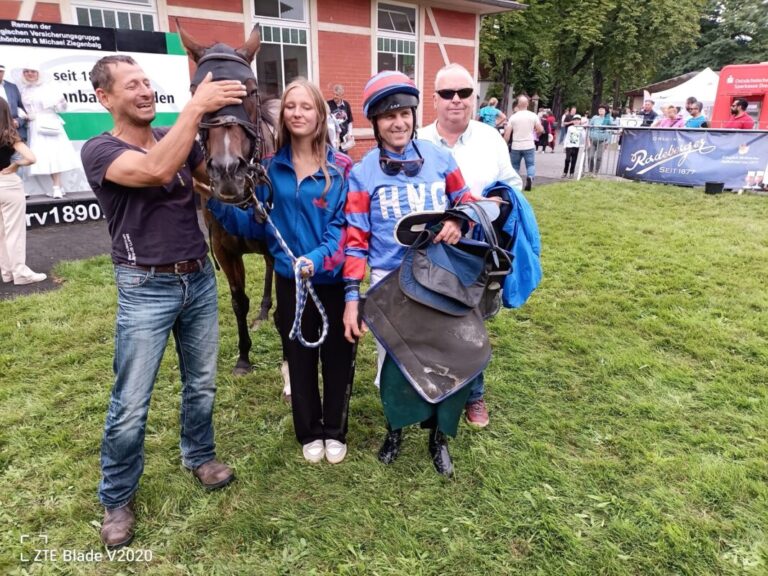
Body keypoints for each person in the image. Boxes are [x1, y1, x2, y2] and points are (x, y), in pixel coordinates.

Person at [81, 54, 245, 549]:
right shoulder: (100, 150)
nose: (145, 90)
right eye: (132, 85)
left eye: (148, 82)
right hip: (143, 286)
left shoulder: (177, 141)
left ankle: (200, 455)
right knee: (131, 403)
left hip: (197, 279)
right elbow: (155, 170)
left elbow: (218, 180)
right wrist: (195, 108)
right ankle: (116, 497)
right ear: (104, 97)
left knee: (201, 385)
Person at [207, 79, 355, 465]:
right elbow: (256, 226)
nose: (298, 113)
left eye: (306, 106)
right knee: (300, 356)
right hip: (292, 283)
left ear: (320, 114)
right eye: (291, 107)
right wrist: (219, 199)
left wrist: (317, 259)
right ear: (283, 116)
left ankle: (335, 430)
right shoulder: (270, 169)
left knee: (337, 359)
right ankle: (309, 430)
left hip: (332, 280)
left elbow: (345, 226)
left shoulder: (341, 168)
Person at [343, 70, 473, 476]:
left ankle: (439, 438)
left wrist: (459, 221)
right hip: (388, 280)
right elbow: (355, 239)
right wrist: (352, 297)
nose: (398, 122)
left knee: (445, 355)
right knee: (394, 361)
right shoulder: (363, 174)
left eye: (404, 113)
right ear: (376, 123)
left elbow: (467, 200)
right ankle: (395, 428)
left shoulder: (441, 158)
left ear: (415, 115)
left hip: (440, 274)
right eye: (387, 116)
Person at [420, 62, 522, 428]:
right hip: (429, 247)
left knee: (471, 323)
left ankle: (474, 396)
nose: (456, 100)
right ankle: (433, 389)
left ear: (474, 98)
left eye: (464, 93)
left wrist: (478, 209)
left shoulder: (490, 138)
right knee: (429, 320)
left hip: (476, 247)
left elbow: (511, 188)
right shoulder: (418, 141)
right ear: (434, 100)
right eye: (447, 93)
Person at [0, 98, 45, 285]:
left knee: (1, 232)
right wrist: (16, 164)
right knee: (14, 232)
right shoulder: (8, 134)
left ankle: (7, 272)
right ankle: (20, 273)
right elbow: (31, 158)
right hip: (8, 184)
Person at [19, 66, 81, 199]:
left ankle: (56, 187)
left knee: (54, 154)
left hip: (50, 124)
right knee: (43, 156)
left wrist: (62, 102)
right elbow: (23, 108)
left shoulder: (48, 87)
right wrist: (25, 115)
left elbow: (61, 107)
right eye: (26, 72)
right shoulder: (24, 90)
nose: (30, 74)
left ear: (38, 73)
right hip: (34, 126)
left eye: (33, 71)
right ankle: (58, 187)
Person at [504, 95, 544, 191]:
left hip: (516, 145)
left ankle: (515, 184)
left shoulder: (513, 117)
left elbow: (507, 134)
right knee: (530, 165)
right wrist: (536, 135)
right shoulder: (533, 115)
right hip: (529, 144)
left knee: (515, 166)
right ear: (527, 104)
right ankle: (530, 177)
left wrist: (504, 144)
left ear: (518, 104)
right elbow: (540, 129)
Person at [0, 64, 27, 142]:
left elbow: (22, 110)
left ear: (3, 72)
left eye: (0, 71)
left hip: (14, 133)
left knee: (20, 154)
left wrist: (18, 122)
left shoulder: (12, 87)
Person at [587, 104, 614, 173]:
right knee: (590, 157)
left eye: (602, 109)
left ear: (606, 111)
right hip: (592, 140)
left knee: (599, 157)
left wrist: (608, 142)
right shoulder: (594, 118)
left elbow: (611, 130)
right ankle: (590, 171)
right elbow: (589, 128)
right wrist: (588, 139)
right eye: (599, 109)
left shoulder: (609, 119)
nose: (600, 110)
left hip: (602, 141)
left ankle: (596, 171)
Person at [327, 84, 354, 151]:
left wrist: (350, 134)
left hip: (344, 140)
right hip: (333, 140)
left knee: (343, 158)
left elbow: (349, 121)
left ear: (342, 95)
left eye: (337, 95)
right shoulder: (328, 104)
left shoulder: (346, 105)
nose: (334, 96)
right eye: (334, 94)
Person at [562, 114, 584, 178]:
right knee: (567, 159)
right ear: (573, 121)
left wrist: (583, 144)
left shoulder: (581, 128)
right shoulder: (570, 128)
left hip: (576, 146)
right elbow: (567, 137)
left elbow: (583, 137)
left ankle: (572, 173)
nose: (576, 121)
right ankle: (565, 172)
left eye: (578, 120)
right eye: (575, 120)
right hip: (569, 146)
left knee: (574, 160)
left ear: (580, 121)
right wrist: (564, 146)